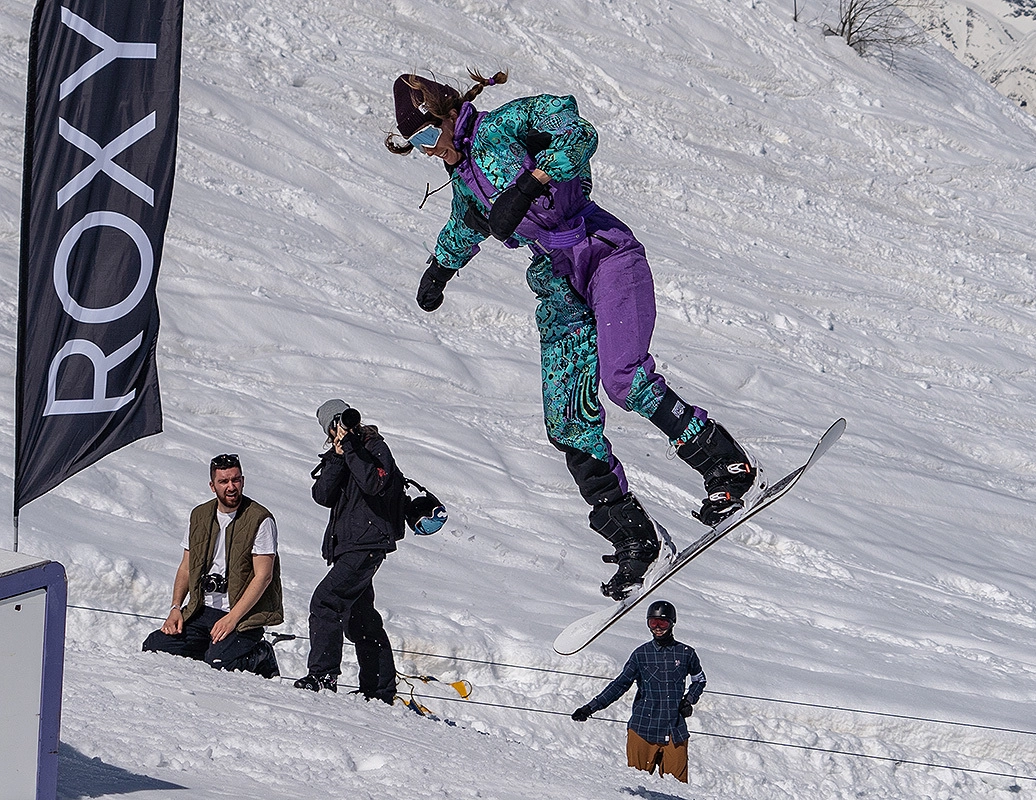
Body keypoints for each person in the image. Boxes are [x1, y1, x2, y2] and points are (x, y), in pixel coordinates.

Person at [389, 70, 762, 600]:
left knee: (624, 380)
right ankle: (636, 537)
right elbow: (465, 225)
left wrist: (531, 181)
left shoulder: (506, 125)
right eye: (417, 144)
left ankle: (727, 465)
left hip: (604, 255)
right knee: (567, 422)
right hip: (558, 285)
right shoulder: (465, 178)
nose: (428, 149)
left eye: (429, 134)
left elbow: (578, 130)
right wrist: (439, 270)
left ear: (448, 114)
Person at [293, 400, 400, 704]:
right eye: (334, 424)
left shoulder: (374, 447)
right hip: (350, 545)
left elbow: (373, 483)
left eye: (344, 420)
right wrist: (338, 457)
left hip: (367, 542)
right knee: (360, 617)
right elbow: (322, 495)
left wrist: (351, 448)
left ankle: (323, 675)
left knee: (326, 601)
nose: (341, 428)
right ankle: (379, 690)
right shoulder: (340, 453)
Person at [142, 453, 282, 678]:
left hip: (243, 616)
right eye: (223, 481)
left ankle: (261, 654)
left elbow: (263, 576)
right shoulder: (200, 515)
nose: (231, 487)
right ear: (212, 485)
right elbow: (186, 567)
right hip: (202, 610)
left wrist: (232, 618)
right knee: (155, 647)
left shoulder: (260, 519)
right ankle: (210, 650)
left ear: (243, 481)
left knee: (220, 665)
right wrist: (175, 608)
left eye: (236, 480)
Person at [571, 600, 705, 783]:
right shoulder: (641, 654)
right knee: (638, 785)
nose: (657, 628)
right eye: (653, 623)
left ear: (672, 623)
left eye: (662, 623)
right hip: (642, 729)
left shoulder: (686, 653)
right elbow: (620, 685)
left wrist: (689, 700)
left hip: (675, 730)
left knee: (677, 787)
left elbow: (699, 680)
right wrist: (590, 708)